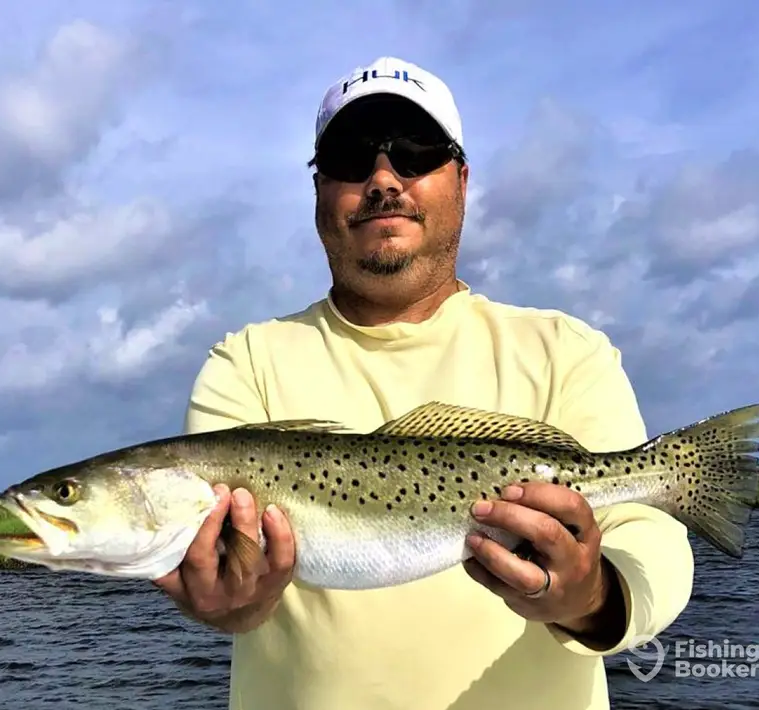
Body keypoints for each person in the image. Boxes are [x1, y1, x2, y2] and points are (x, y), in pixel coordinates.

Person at [154, 57, 694, 710]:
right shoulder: (244, 360)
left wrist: (592, 599)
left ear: (460, 181)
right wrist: (231, 603)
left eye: (416, 154)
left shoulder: (564, 350)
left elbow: (653, 547)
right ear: (320, 189)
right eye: (353, 158)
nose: (384, 180)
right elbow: (231, 586)